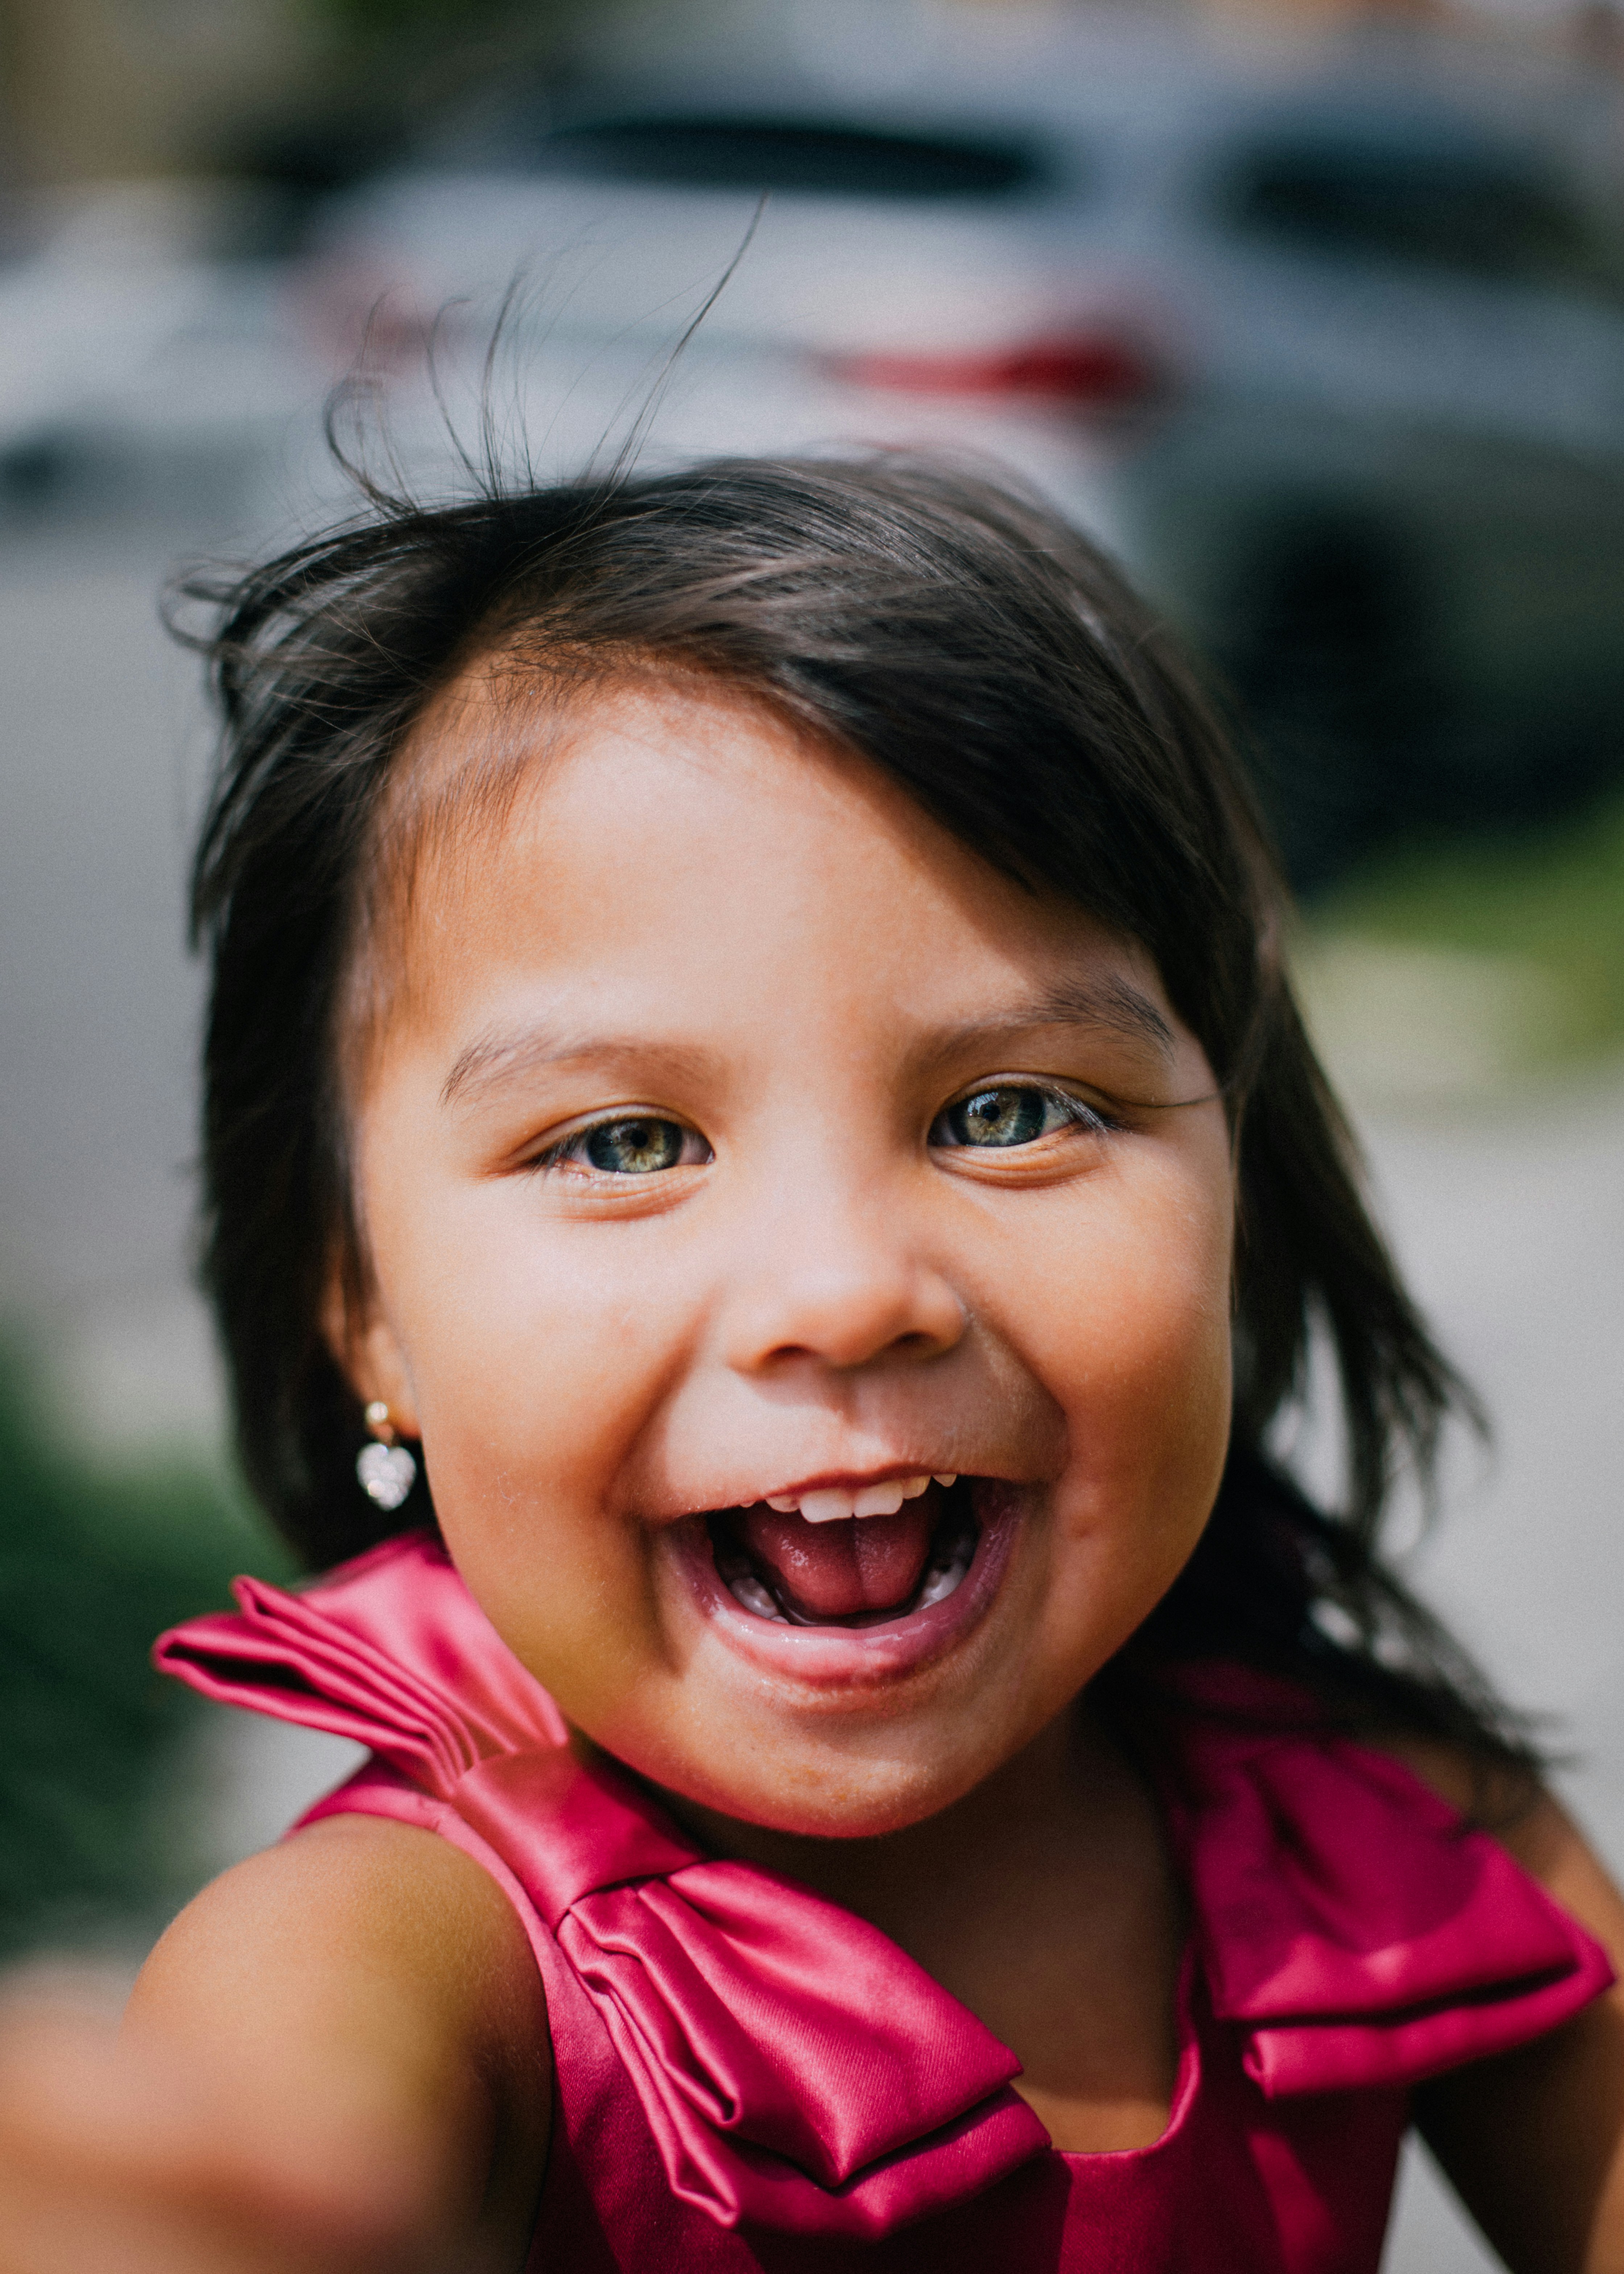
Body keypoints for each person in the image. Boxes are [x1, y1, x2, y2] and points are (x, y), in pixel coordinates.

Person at [1, 455, 1620, 2273]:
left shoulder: (1390, 1830)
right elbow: (288, 2127)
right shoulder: (414, 1953)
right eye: (622, 1143)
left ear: (1239, 1185)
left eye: (1006, 1110)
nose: (848, 1292)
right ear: (362, 1306)